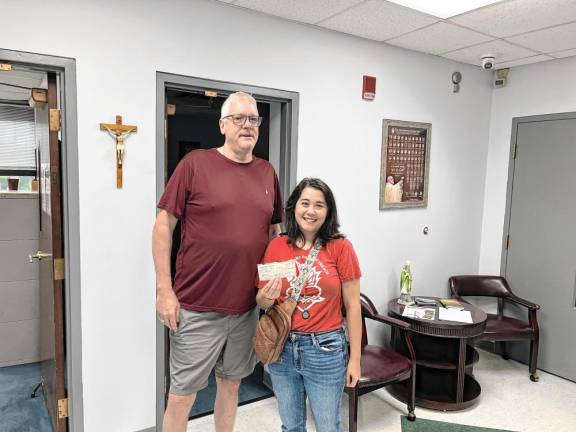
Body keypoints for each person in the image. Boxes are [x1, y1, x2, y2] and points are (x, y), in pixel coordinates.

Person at [152, 91, 283, 432]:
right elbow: (164, 225)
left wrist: (274, 283)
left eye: (253, 119)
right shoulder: (195, 164)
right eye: (239, 118)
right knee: (181, 396)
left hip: (245, 309)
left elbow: (275, 233)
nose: (247, 125)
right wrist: (165, 290)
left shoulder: (267, 172)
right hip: (196, 308)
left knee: (231, 384)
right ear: (223, 124)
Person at [256, 178, 362, 432]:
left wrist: (355, 359)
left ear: (328, 212)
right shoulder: (277, 246)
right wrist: (267, 297)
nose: (311, 211)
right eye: (305, 203)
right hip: (282, 348)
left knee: (328, 426)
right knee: (291, 425)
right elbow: (262, 300)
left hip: (325, 348)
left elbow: (354, 306)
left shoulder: (341, 247)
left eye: (319, 205)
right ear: (294, 207)